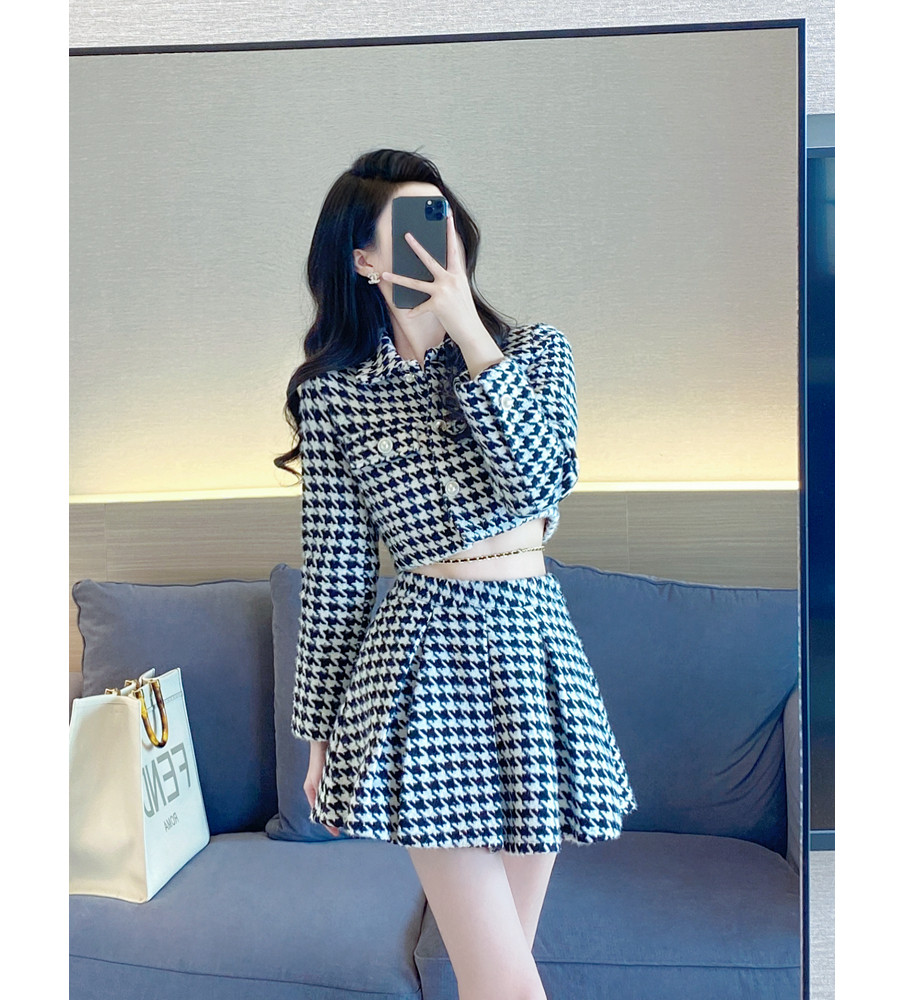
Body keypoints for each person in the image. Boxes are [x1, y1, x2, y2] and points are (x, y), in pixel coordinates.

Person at [275, 148, 637, 1000]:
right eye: (408, 229)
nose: (435, 244)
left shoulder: (535, 353)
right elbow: (336, 569)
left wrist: (470, 333)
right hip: (421, 666)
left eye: (441, 219)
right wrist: (319, 733)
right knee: (502, 980)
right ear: (363, 261)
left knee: (497, 976)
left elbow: (539, 484)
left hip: (532, 654)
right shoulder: (337, 394)